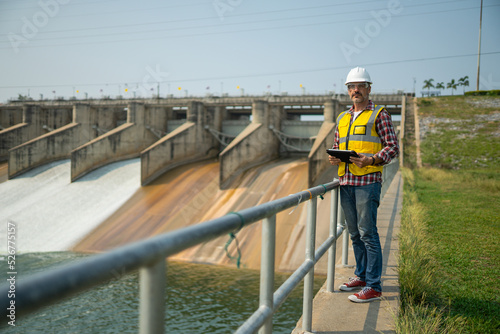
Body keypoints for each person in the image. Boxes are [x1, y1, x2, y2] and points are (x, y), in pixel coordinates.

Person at [328, 67, 399, 303]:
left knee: (368, 233)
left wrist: (372, 159)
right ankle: (360, 275)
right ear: (348, 90)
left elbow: (392, 147)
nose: (355, 90)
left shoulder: (380, 114)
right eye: (351, 86)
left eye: (359, 86)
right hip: (346, 181)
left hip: (367, 182)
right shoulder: (343, 117)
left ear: (369, 88)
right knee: (354, 233)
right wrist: (335, 156)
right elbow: (338, 144)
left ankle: (374, 286)